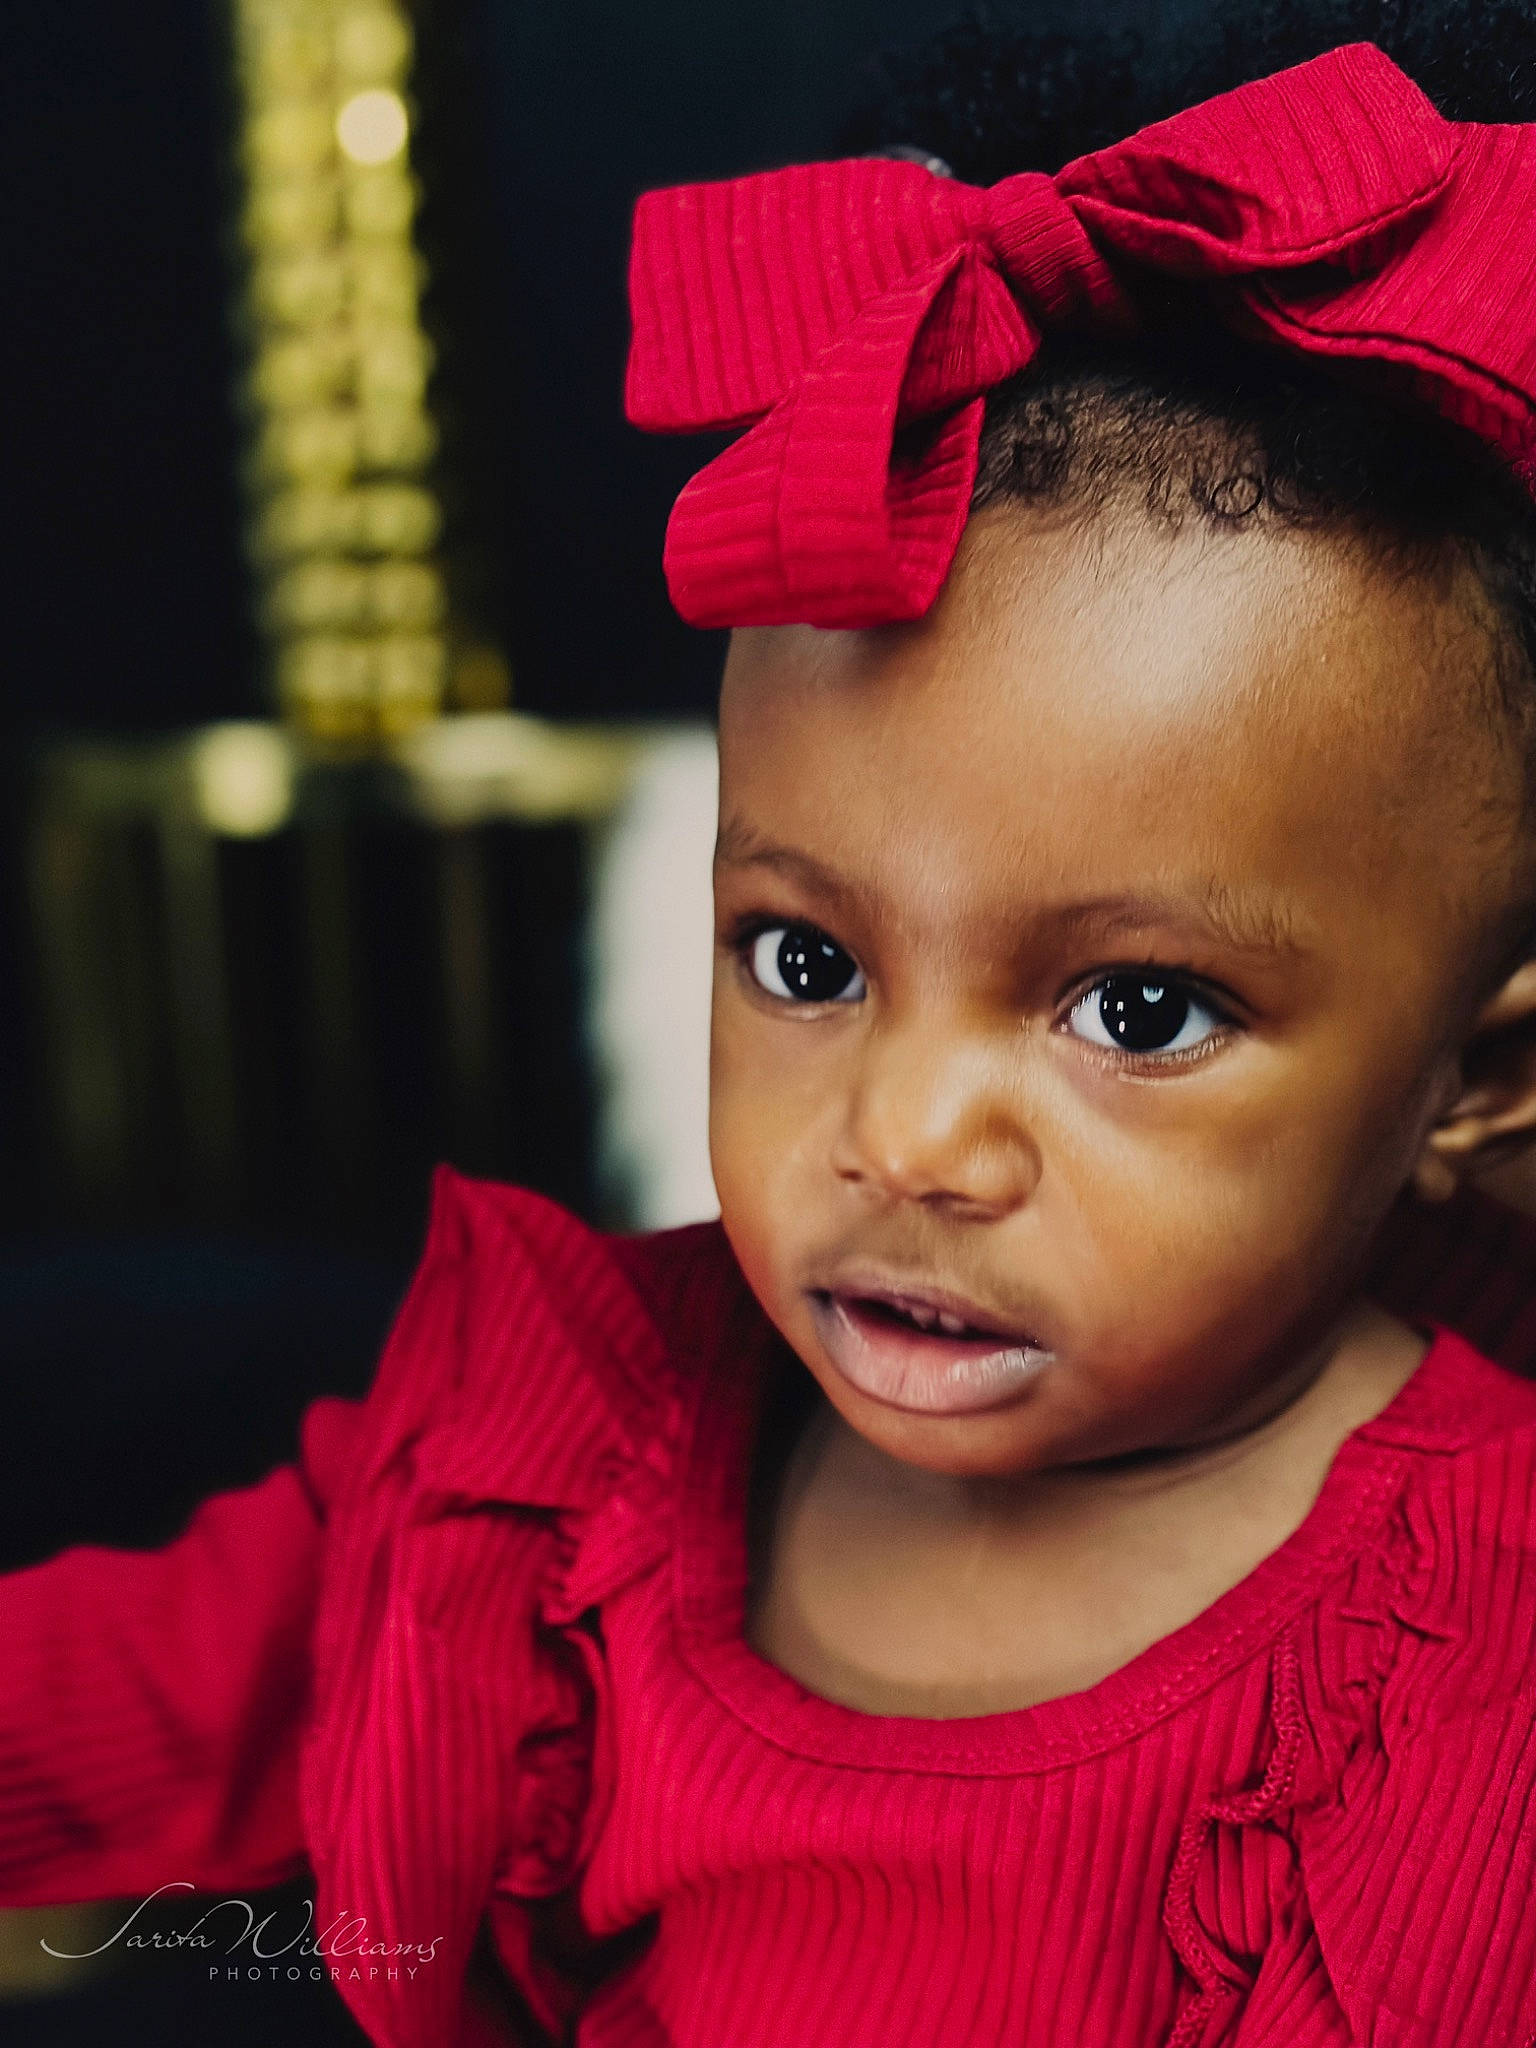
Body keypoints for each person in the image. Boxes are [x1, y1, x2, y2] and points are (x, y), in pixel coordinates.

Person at [7, 6, 1536, 2044]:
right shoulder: (565, 1461)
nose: (901, 1133)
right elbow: (144, 1687)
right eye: (804, 959)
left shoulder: (1464, 1671)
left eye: (1138, 1007)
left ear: (1480, 1081)